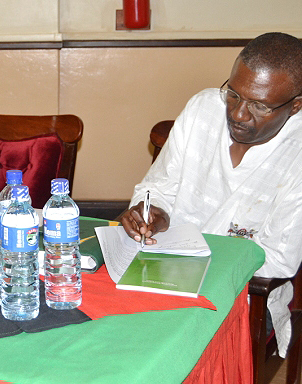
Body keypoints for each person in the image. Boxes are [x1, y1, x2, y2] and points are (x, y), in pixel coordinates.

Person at [119, 32, 302, 357]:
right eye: (233, 93)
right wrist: (153, 211)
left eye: (259, 105)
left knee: (160, 349)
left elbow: (278, 259)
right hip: (163, 274)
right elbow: (158, 188)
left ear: (295, 105)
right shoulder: (204, 107)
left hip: (244, 297)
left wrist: (190, 257)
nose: (238, 114)